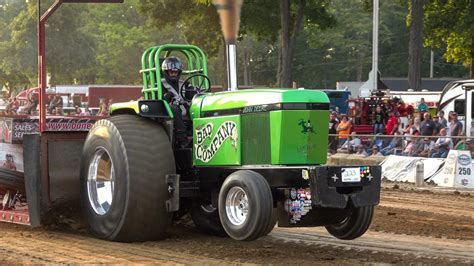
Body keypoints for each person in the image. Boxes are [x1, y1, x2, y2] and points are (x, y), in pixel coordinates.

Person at [161, 56, 196, 147]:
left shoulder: (184, 84)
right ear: (166, 72)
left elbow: (191, 94)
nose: (173, 74)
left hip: (184, 109)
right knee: (174, 108)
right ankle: (182, 139)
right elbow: (159, 100)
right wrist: (166, 97)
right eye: (171, 72)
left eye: (175, 72)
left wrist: (195, 92)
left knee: (197, 105)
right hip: (169, 113)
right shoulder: (160, 85)